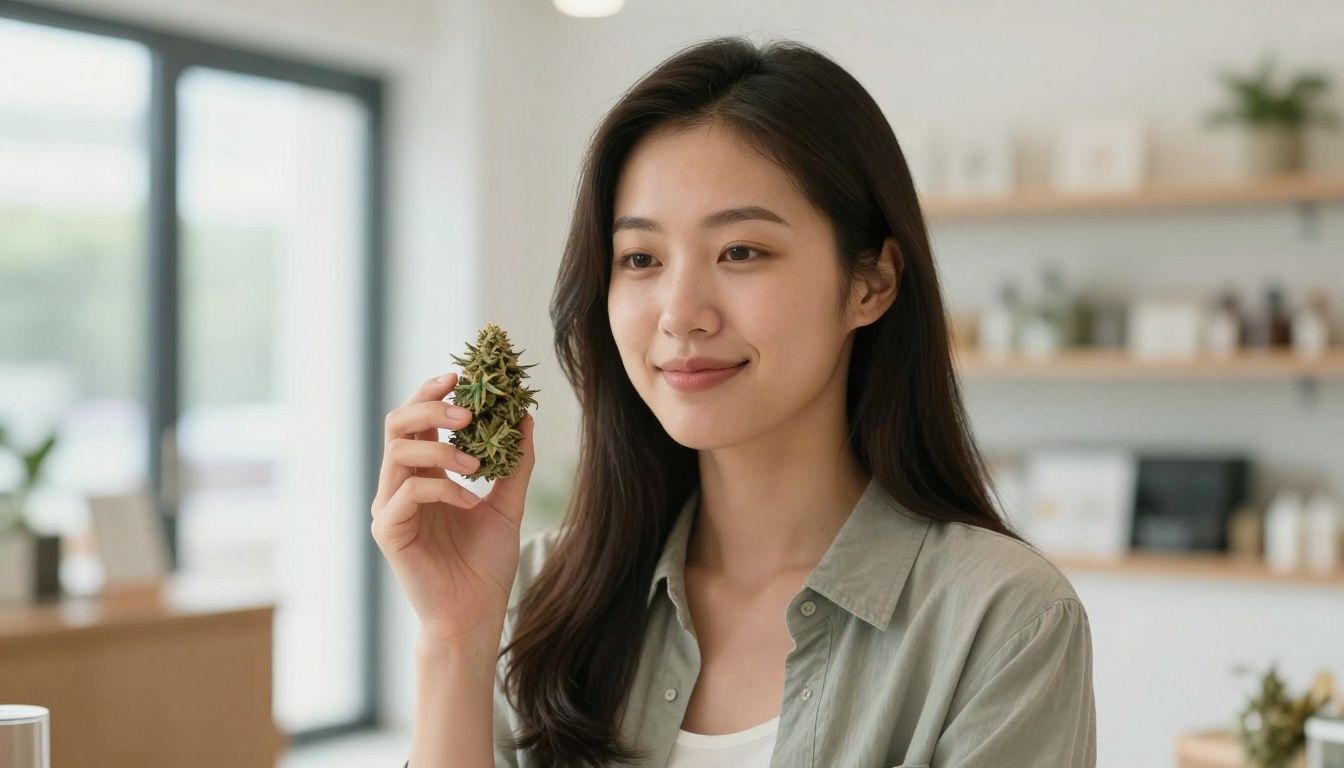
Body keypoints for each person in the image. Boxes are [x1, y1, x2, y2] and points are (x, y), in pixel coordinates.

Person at [373, 35, 1096, 768]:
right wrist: (455, 642)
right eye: (641, 259)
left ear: (870, 283)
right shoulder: (538, 593)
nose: (681, 313)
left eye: (741, 251)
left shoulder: (1002, 619)